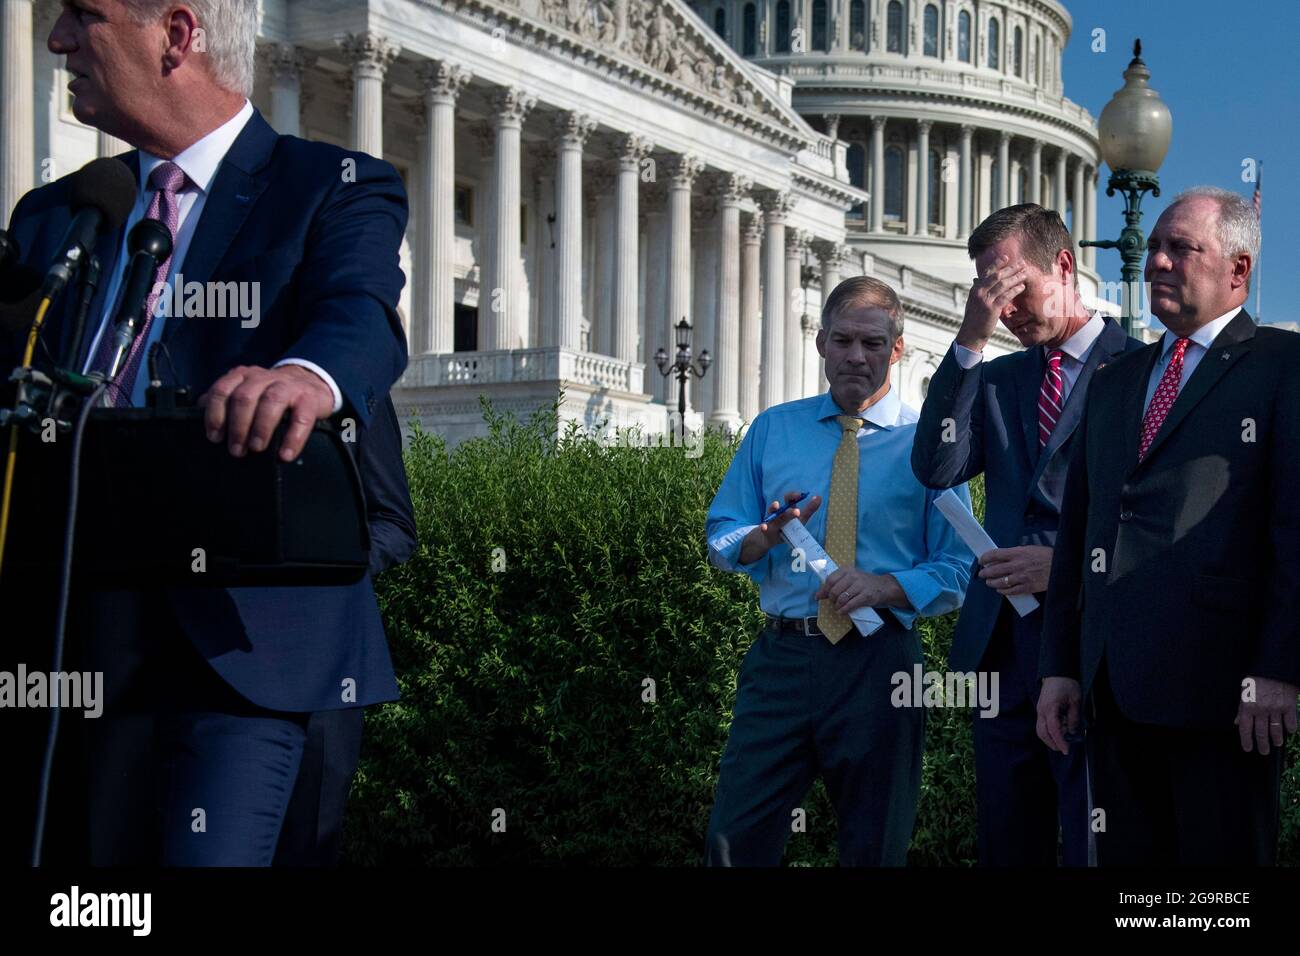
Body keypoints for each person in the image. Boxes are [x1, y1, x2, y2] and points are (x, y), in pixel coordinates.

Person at [2, 0, 409, 865]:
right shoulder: (59, 216)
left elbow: (360, 316)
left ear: (177, 36)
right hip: (78, 640)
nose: (57, 38)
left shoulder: (332, 186)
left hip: (249, 644)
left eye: (84, 15)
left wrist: (307, 377)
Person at [1037, 186, 1300, 865]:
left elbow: (1294, 530)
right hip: (1111, 687)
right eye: (1153, 247)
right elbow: (1081, 533)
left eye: (1180, 248)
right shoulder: (1116, 379)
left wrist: (1277, 670)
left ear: (1237, 270)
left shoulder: (1282, 367)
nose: (1156, 262)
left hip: (1224, 695)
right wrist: (1061, 667)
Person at [703, 275, 974, 866]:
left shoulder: (929, 444)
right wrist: (763, 537)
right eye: (844, 340)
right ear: (821, 342)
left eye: (873, 343)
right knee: (733, 839)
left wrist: (887, 586)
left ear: (897, 350)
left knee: (875, 846)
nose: (857, 355)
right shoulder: (774, 428)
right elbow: (721, 532)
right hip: (781, 661)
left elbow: (961, 567)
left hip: (883, 664)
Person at [910, 204, 1143, 866]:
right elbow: (935, 466)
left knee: (1096, 838)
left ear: (1064, 267)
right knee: (1009, 840)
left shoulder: (1140, 369)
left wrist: (1061, 565)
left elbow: (1160, 515)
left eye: (1016, 291)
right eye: (992, 296)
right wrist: (968, 341)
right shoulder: (995, 377)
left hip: (1094, 642)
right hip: (1003, 653)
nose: (1007, 310)